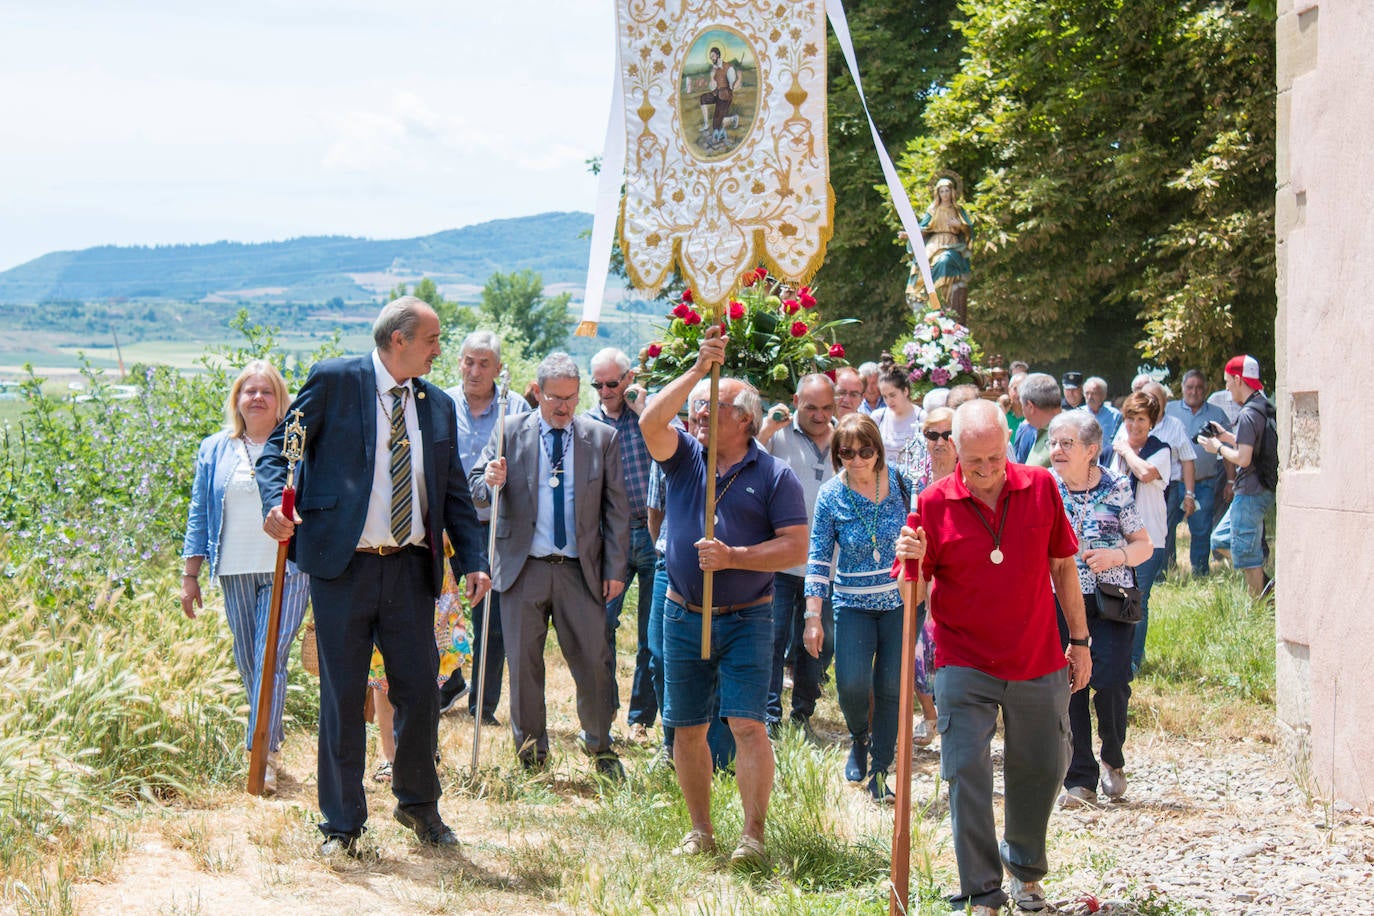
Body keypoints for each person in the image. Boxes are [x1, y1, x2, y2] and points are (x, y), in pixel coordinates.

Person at [258, 296, 491, 856]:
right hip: (344, 568)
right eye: (434, 340)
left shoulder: (435, 405)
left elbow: (452, 489)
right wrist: (275, 502)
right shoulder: (336, 381)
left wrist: (473, 561)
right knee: (342, 697)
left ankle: (417, 805)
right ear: (399, 340)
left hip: (412, 571)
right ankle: (341, 824)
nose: (441, 351)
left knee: (420, 692)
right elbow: (280, 450)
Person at [896, 399, 1090, 915]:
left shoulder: (1043, 486)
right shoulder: (932, 503)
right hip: (963, 660)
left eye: (995, 461)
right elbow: (911, 596)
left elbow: (1064, 568)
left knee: (1044, 767)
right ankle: (982, 891)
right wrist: (908, 565)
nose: (984, 473)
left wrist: (1080, 639)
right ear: (955, 450)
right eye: (973, 462)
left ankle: (1025, 868)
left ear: (1010, 444)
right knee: (965, 774)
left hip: (1036, 656)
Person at [639, 326, 809, 869]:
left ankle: (753, 835)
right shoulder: (685, 457)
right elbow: (649, 422)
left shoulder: (775, 475)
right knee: (685, 725)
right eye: (694, 410)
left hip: (747, 616)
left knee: (747, 724)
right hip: (683, 611)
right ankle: (700, 830)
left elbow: (794, 547)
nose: (698, 418)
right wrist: (696, 371)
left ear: (745, 419)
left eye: (710, 409)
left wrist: (734, 557)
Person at [469, 353, 630, 777]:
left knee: (595, 661)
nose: (563, 407)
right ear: (538, 392)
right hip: (524, 566)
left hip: (581, 569)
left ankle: (600, 745)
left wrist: (616, 569)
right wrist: (490, 480)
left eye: (572, 398)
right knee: (524, 663)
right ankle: (531, 755)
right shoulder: (508, 431)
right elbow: (474, 486)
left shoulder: (601, 437)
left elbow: (617, 511)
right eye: (555, 398)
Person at [181, 360, 309, 797]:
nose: (257, 398)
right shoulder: (215, 448)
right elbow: (199, 511)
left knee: (270, 655)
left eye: (266, 392)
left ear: (280, 401)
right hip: (233, 568)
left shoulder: (296, 448)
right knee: (250, 662)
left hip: (287, 568)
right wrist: (190, 574)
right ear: (237, 399)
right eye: (249, 391)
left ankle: (261, 757)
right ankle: (266, 742)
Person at [802, 414, 912, 802]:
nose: (857, 459)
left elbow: (925, 534)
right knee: (851, 684)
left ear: (878, 448)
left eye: (865, 451)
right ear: (837, 454)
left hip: (899, 601)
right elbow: (817, 557)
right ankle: (859, 736)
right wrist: (812, 616)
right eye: (847, 452)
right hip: (852, 604)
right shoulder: (831, 494)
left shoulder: (902, 483)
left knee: (891, 687)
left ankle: (881, 770)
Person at [1047, 412, 1153, 808]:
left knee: (1110, 682)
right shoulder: (1045, 488)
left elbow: (1144, 545)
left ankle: (1113, 755)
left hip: (1111, 599)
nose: (1056, 450)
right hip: (1061, 599)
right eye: (1054, 442)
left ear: (1091, 451)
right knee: (1070, 684)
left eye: (1066, 443)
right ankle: (1080, 779)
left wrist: (1116, 555)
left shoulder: (1116, 486)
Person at [445, 330, 530, 725]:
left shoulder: (515, 408)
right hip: (447, 526)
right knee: (440, 611)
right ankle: (449, 682)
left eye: (484, 363)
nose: (475, 370)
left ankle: (483, 705)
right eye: (469, 361)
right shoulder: (442, 404)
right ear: (459, 363)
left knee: (490, 619)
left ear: (498, 368)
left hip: (495, 526)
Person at [757, 374, 837, 738]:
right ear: (795, 400)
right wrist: (765, 427)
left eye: (826, 408)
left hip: (828, 565)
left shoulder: (845, 440)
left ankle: (803, 713)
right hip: (780, 558)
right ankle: (770, 716)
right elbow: (747, 463)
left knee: (819, 642)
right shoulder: (778, 436)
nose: (819, 416)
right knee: (772, 638)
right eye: (811, 408)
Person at [584, 347, 656, 742]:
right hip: (611, 536)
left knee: (650, 632)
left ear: (629, 378)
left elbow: (674, 448)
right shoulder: (588, 423)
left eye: (613, 383)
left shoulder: (647, 417)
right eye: (598, 384)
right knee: (602, 624)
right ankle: (606, 707)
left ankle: (641, 718)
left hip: (653, 530)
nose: (606, 391)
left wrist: (644, 409)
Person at [367, 566, 469, 783]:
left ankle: (426, 751)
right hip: (379, 564)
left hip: (429, 567)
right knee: (381, 667)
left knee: (430, 663)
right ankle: (390, 757)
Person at [1201, 355, 1278, 598]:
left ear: (1238, 379)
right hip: (1259, 488)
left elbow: (1243, 459)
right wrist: (1226, 436)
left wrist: (1217, 448)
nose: (1226, 388)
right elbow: (1253, 444)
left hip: (1250, 491)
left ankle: (1261, 602)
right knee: (1220, 540)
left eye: (1227, 382)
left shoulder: (1247, 413)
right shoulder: (1262, 405)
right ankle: (1265, 584)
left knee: (1247, 554)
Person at [1110, 392, 1170, 674]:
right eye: (1130, 418)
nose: (1135, 425)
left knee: (1138, 600)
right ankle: (1117, 654)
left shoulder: (1160, 449)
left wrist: (1126, 452)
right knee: (1118, 596)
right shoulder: (1114, 450)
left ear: (1152, 422)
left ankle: (1133, 660)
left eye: (1141, 419)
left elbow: (1145, 473)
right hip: (1117, 538)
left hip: (1149, 539)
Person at [910, 407, 959, 748]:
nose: (940, 442)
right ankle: (930, 715)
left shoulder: (969, 472)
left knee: (945, 648)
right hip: (919, 564)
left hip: (956, 566)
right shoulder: (913, 476)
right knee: (917, 649)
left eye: (948, 435)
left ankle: (956, 717)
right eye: (933, 435)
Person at [1165, 369, 1232, 576]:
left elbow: (1228, 450)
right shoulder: (1169, 410)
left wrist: (1231, 480)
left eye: (1199, 387)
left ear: (1205, 390)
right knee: (1166, 529)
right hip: (1174, 482)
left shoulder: (1216, 414)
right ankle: (1168, 568)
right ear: (1183, 388)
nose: (1194, 391)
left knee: (1201, 530)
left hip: (1204, 482)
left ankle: (1200, 572)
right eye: (1190, 387)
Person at [908, 176, 974, 324]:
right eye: (941, 191)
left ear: (952, 192)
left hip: (952, 244)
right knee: (923, 266)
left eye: (947, 191)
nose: (944, 194)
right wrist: (909, 233)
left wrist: (960, 226)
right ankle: (928, 298)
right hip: (934, 242)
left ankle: (946, 300)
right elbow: (923, 228)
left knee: (945, 260)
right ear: (938, 193)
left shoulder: (958, 210)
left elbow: (968, 230)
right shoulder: (933, 209)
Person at [871, 365, 928, 475]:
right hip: (883, 478)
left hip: (912, 479)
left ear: (905, 391)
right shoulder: (878, 417)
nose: (889, 401)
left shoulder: (921, 417)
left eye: (892, 395)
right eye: (884, 396)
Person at [1013, 373, 1062, 467]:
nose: (1022, 409)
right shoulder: (1040, 429)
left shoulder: (1066, 433)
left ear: (1030, 406)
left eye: (1022, 405)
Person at [698, 46, 739, 152]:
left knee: (717, 123)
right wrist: (712, 78)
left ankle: (733, 118)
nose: (711, 58)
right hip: (717, 94)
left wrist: (727, 92)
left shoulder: (728, 67)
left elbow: (731, 85)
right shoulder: (714, 69)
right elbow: (712, 87)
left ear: (718, 55)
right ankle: (706, 124)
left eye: (713, 56)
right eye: (710, 57)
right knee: (703, 98)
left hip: (725, 96)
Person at [1080, 376, 1122, 459]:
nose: (1089, 397)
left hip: (1107, 459)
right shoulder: (1077, 414)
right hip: (1083, 458)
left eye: (1094, 393)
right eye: (1087, 393)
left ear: (1104, 395)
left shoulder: (1115, 415)